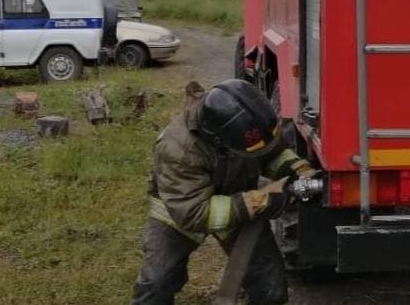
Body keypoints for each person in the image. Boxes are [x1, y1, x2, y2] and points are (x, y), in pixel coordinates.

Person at [131, 79, 318, 305]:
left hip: (237, 202)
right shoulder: (177, 149)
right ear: (218, 140)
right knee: (156, 284)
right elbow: (194, 213)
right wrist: (262, 201)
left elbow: (272, 152)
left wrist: (299, 171)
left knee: (270, 288)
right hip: (180, 213)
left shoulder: (244, 127)